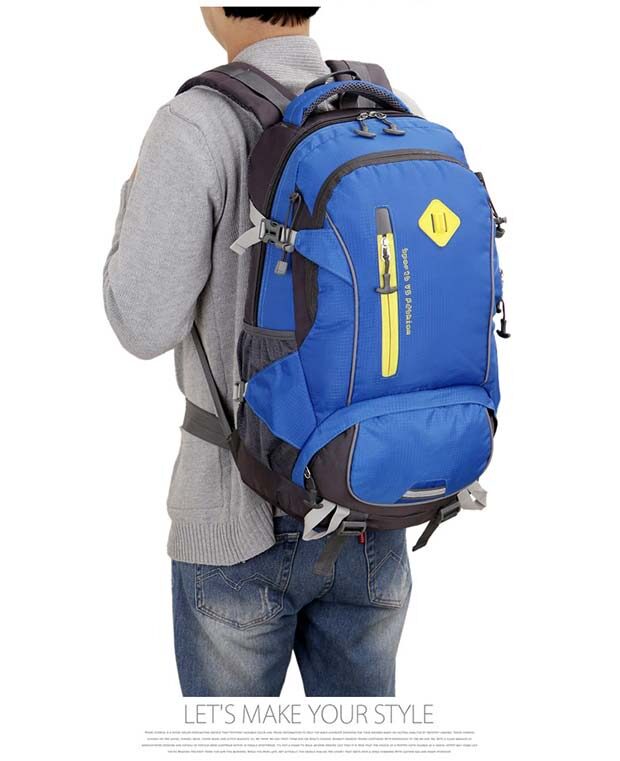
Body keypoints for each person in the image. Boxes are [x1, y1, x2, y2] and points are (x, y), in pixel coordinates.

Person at [103, 6, 421, 697]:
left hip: (236, 516)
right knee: (365, 747)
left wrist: (135, 189)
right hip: (371, 499)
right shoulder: (386, 110)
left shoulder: (194, 124)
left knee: (232, 745)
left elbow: (141, 323)